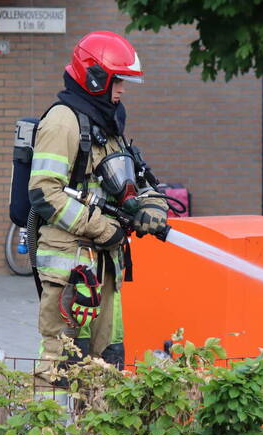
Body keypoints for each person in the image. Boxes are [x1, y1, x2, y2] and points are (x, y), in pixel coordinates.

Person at [28, 31, 168, 383]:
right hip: (70, 268)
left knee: (105, 364)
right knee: (61, 364)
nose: (121, 90)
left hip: (104, 266)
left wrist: (151, 206)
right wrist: (102, 228)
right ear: (95, 76)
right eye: (117, 81)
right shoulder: (63, 121)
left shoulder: (106, 121)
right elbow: (45, 192)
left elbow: (130, 177)